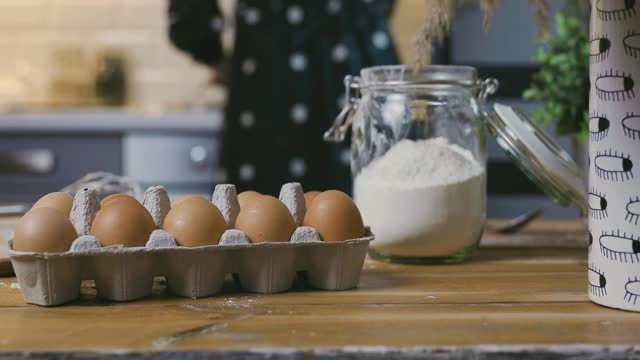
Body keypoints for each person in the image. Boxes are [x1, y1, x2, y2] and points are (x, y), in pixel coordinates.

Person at [169, 0, 398, 195]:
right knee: (375, 220)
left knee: (262, 229)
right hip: (355, 54)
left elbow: (192, 17)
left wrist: (207, 48)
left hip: (269, 68)